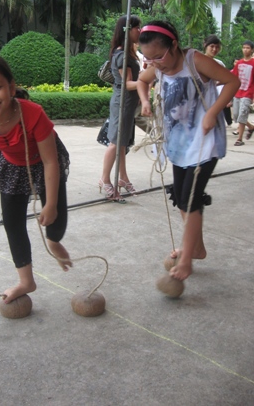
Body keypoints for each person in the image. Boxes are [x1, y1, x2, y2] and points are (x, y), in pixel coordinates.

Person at [0, 54, 72, 304]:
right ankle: (26, 281)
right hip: (12, 166)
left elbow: (51, 162)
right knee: (12, 223)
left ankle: (53, 242)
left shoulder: (32, 113)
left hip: (45, 163)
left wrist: (49, 204)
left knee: (55, 221)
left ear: (11, 87)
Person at [137, 20, 240, 281]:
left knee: (190, 200)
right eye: (148, 59)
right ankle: (197, 248)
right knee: (182, 199)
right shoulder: (157, 67)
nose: (155, 63)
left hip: (205, 142)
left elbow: (232, 81)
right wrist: (145, 100)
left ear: (174, 45)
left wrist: (213, 113)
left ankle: (186, 261)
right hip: (179, 144)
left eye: (159, 56)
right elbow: (141, 80)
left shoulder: (195, 60)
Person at [99, 15, 141, 199]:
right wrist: (146, 81)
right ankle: (104, 179)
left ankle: (122, 177)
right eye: (137, 28)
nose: (140, 31)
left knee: (123, 142)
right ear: (127, 30)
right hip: (122, 102)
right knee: (116, 143)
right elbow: (127, 84)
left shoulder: (129, 53)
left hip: (128, 103)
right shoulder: (122, 55)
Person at [203, 34, 233, 127]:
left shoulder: (219, 64)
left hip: (215, 100)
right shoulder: (197, 62)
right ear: (205, 45)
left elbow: (227, 81)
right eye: (211, 46)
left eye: (217, 47)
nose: (214, 49)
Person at [230, 40, 254, 145]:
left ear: (252, 50)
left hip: (248, 92)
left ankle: (239, 139)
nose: (245, 50)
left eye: (248, 48)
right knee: (236, 115)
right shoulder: (239, 63)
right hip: (238, 92)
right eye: (244, 47)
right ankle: (251, 127)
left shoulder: (253, 63)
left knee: (243, 113)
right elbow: (234, 78)